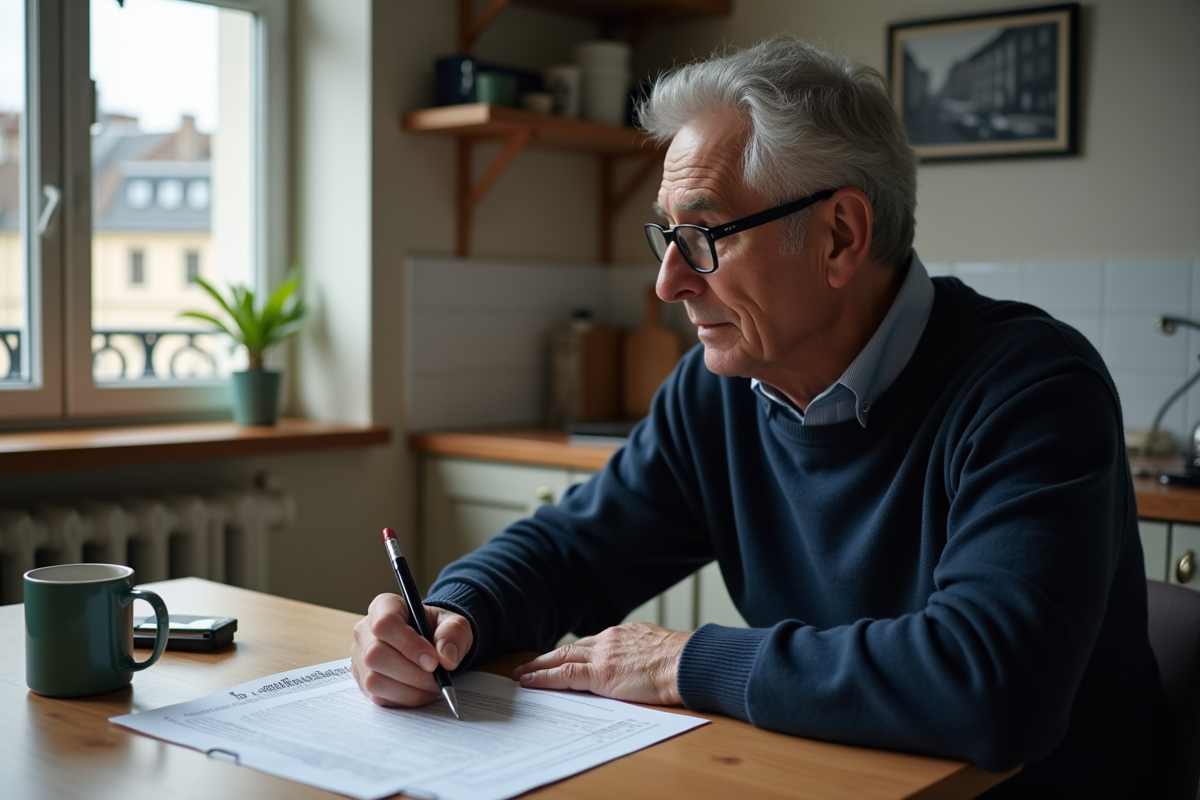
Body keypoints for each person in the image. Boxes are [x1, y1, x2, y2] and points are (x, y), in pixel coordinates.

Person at [352, 36, 1167, 798]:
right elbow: (576, 549)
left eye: (705, 234)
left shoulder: (1031, 388)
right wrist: (453, 614)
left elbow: (994, 686)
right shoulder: (718, 391)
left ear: (840, 236)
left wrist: (680, 663)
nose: (669, 283)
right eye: (667, 235)